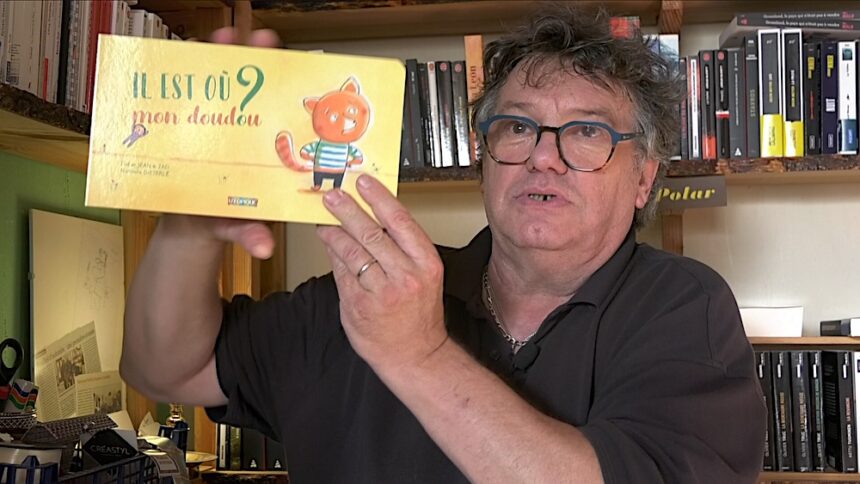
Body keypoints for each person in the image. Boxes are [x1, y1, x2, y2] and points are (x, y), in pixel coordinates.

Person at [121, 6, 766, 483]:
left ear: (644, 177)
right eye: (517, 127)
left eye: (588, 132)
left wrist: (419, 354)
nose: (544, 157)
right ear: (484, 158)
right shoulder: (373, 290)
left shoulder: (683, 309)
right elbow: (164, 369)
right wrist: (187, 230)